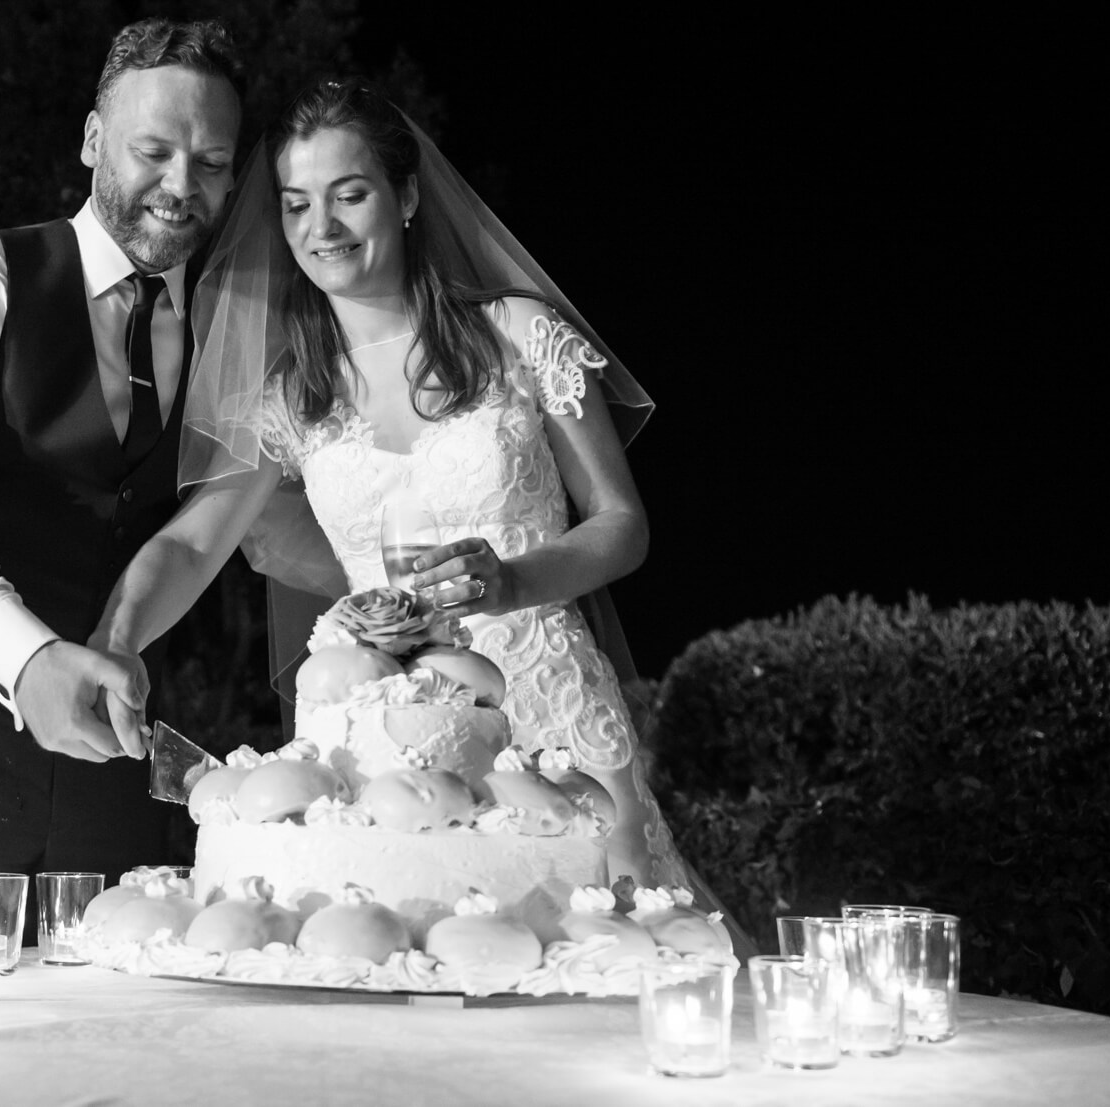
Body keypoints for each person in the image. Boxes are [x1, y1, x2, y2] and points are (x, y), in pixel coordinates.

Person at [91, 79, 739, 927]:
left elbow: (621, 524)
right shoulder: (294, 397)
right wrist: (115, 639)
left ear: (403, 196)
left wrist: (510, 581)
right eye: (295, 205)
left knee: (598, 964)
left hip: (553, 713)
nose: (320, 228)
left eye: (348, 195)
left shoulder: (517, 333)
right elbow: (189, 547)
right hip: (395, 748)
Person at [0, 17, 246, 884]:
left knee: (113, 1011)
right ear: (92, 139)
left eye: (212, 163)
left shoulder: (231, 336)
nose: (180, 186)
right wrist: (25, 654)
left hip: (119, 753)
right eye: (153, 150)